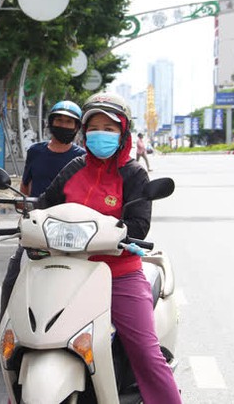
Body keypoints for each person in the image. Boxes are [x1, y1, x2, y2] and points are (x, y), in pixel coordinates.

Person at [38, 92, 181, 403]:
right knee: (25, 337)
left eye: (109, 127)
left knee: (145, 353)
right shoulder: (74, 167)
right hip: (64, 270)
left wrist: (117, 234)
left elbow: (139, 224)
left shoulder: (133, 174)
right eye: (93, 127)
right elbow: (44, 206)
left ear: (123, 133)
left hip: (117, 272)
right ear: (84, 132)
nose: (100, 133)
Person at [0, 100, 86, 355]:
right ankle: (2, 333)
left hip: (69, 230)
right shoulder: (36, 151)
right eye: (59, 120)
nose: (63, 125)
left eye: (69, 122)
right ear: (50, 123)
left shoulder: (81, 158)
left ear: (76, 127)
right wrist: (22, 203)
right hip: (36, 228)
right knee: (12, 278)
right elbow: (26, 188)